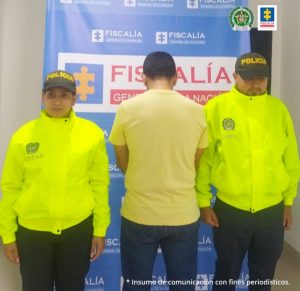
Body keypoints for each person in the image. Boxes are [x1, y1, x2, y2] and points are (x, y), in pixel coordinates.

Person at [196, 52, 300, 291]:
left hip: (271, 210)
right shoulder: (216, 108)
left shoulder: (278, 109)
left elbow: (291, 160)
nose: (255, 84)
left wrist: (287, 203)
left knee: (263, 275)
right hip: (231, 211)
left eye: (261, 79)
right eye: (249, 78)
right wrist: (203, 202)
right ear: (234, 76)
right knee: (226, 272)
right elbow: (204, 161)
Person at [0, 70, 110, 291]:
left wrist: (99, 229)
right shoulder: (23, 136)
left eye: (64, 95)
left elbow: (99, 184)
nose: (57, 101)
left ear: (74, 99)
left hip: (76, 230)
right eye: (51, 95)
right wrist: (8, 234)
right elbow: (10, 187)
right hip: (32, 233)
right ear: (43, 97)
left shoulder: (92, 135)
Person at [109, 51, 208, 291]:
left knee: (135, 285)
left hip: (139, 214)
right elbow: (195, 160)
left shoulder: (126, 108)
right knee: (183, 285)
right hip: (182, 214)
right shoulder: (197, 110)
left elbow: (122, 161)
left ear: (143, 77)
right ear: (176, 77)